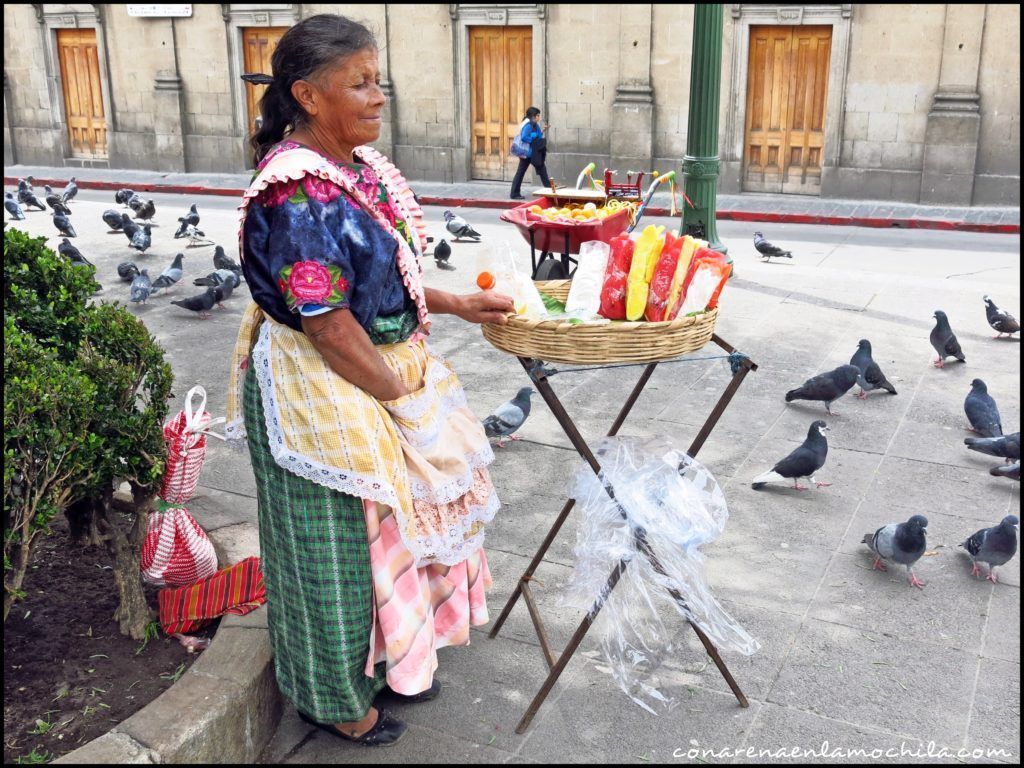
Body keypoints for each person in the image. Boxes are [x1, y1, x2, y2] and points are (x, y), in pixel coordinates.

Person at [226, 14, 515, 747]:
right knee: (333, 551)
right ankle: (333, 700)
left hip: (372, 366)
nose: (378, 96)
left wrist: (453, 302)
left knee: (394, 539)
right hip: (319, 383)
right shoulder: (294, 195)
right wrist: (402, 401)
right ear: (308, 96)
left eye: (376, 79)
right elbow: (327, 323)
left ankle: (393, 663)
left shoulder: (358, 171)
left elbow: (388, 278)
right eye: (359, 83)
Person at [509, 106, 551, 200]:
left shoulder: (535, 125)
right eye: (538, 116)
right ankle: (514, 194)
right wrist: (533, 137)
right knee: (522, 172)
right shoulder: (528, 125)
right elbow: (524, 137)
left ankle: (549, 190)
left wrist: (543, 130)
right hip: (527, 153)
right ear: (533, 116)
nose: (539, 117)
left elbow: (538, 136)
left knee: (542, 169)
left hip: (534, 152)